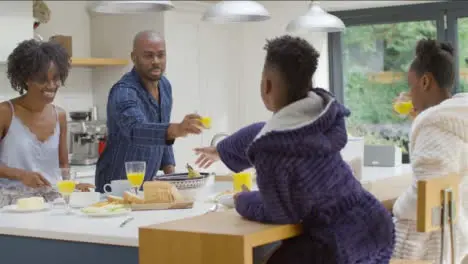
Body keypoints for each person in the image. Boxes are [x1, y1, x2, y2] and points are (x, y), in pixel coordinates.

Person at [194, 35, 395, 264]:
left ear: (266, 84)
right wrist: (221, 150)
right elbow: (262, 131)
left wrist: (243, 200)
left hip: (336, 243)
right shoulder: (321, 119)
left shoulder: (272, 154)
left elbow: (279, 212)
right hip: (374, 224)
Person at [95, 30, 203, 192]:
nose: (156, 61)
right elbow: (136, 129)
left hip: (146, 186)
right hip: (114, 186)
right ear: (134, 57)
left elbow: (165, 138)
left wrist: (173, 180)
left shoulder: (165, 86)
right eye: (148, 56)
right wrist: (176, 129)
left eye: (161, 55)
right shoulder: (123, 92)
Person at [390, 39, 468, 263]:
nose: (409, 95)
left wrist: (395, 207)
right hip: (459, 235)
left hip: (431, 246)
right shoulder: (457, 117)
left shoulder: (433, 123)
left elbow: (425, 194)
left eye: (411, 86)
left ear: (425, 81)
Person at [0, 39, 93, 207]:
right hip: (11, 205)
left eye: (56, 79)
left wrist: (73, 186)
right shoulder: (5, 113)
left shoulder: (60, 116)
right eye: (43, 79)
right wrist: (21, 175)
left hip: (51, 201)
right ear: (26, 79)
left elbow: (63, 165)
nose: (51, 85)